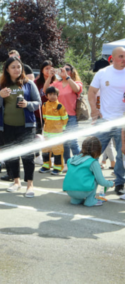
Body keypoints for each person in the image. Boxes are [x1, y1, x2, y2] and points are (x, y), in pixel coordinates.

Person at [0, 56, 41, 197]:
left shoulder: (29, 84)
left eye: (18, 67)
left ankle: (30, 185)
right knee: (12, 156)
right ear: (7, 69)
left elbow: (38, 103)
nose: (16, 69)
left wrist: (28, 104)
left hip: (26, 127)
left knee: (27, 157)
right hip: (7, 127)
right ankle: (16, 182)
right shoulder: (0, 86)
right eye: (13, 67)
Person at [88, 46, 125, 195]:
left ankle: (119, 183)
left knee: (121, 155)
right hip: (104, 120)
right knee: (94, 152)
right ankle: (90, 181)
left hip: (122, 122)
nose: (124, 59)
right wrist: (94, 109)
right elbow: (91, 92)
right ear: (113, 58)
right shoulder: (103, 73)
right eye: (121, 56)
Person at [44, 63, 83, 172]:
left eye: (67, 69)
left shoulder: (76, 82)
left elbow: (76, 89)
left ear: (72, 71)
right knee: (64, 142)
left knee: (73, 142)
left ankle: (79, 164)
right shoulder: (57, 84)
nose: (64, 71)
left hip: (71, 116)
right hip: (58, 118)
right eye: (63, 69)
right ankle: (67, 163)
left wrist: (67, 77)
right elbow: (45, 90)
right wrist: (50, 77)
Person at [63, 137, 114, 207]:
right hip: (83, 191)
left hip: (69, 191)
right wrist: (111, 183)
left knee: (77, 176)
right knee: (95, 178)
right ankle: (90, 200)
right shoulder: (93, 162)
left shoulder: (71, 160)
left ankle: (76, 200)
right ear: (98, 150)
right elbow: (101, 181)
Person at [39, 86, 68, 175]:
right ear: (46, 96)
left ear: (57, 95)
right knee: (45, 150)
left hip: (57, 133)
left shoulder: (60, 106)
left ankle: (58, 168)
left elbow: (65, 118)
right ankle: (46, 166)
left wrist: (62, 129)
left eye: (54, 94)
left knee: (57, 151)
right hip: (47, 132)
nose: (52, 96)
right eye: (50, 94)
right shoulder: (44, 105)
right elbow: (44, 118)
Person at [33, 60, 56, 165]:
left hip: (52, 114)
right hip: (38, 113)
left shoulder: (55, 81)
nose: (49, 70)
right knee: (37, 134)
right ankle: (37, 155)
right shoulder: (36, 82)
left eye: (50, 68)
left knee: (50, 135)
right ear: (41, 70)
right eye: (46, 68)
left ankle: (49, 156)